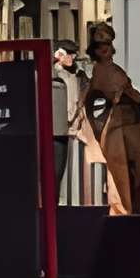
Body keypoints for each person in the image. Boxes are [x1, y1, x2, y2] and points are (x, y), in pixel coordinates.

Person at [80, 23, 140, 218]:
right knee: (119, 171)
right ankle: (123, 209)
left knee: (134, 170)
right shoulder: (102, 71)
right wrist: (98, 123)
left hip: (130, 124)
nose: (104, 48)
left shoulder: (111, 69)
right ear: (94, 49)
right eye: (99, 44)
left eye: (107, 42)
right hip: (116, 126)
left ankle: (129, 208)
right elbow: (91, 98)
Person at [50, 42, 84, 203]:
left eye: (73, 54)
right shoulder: (54, 74)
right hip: (57, 128)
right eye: (67, 54)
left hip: (71, 129)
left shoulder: (77, 75)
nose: (71, 57)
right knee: (55, 172)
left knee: (63, 171)